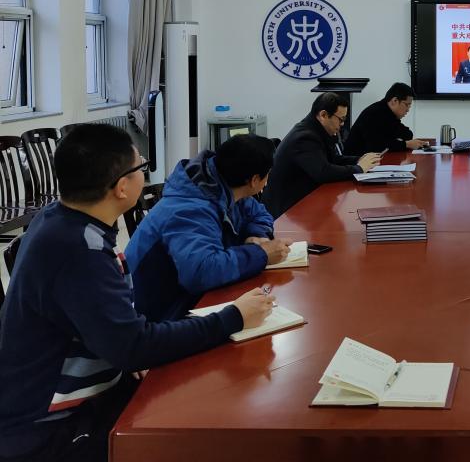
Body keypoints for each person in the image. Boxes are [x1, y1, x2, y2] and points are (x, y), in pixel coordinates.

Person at [0, 124, 273, 462]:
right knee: (211, 429)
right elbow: (135, 347)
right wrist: (233, 317)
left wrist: (124, 352)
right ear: (121, 187)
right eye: (141, 166)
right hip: (49, 427)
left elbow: (116, 335)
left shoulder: (61, 220)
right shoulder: (78, 250)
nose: (144, 173)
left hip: (81, 386)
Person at [125, 134, 289, 322]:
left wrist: (255, 235)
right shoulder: (189, 210)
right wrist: (261, 254)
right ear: (254, 180)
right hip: (160, 315)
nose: (267, 181)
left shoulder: (224, 185)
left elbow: (259, 214)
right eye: (267, 175)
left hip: (190, 298)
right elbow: (201, 272)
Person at [261, 92, 382, 218]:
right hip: (287, 211)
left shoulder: (316, 130)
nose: (342, 124)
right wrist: (359, 168)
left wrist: (359, 160)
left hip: (304, 201)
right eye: (341, 119)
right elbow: (323, 172)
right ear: (323, 115)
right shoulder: (304, 138)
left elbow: (332, 159)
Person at [344, 82, 429, 157]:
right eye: (406, 105)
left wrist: (407, 143)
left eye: (409, 106)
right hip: (355, 162)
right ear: (394, 100)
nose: (408, 109)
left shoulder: (389, 113)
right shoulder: (375, 113)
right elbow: (377, 146)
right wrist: (406, 144)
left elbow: (407, 134)